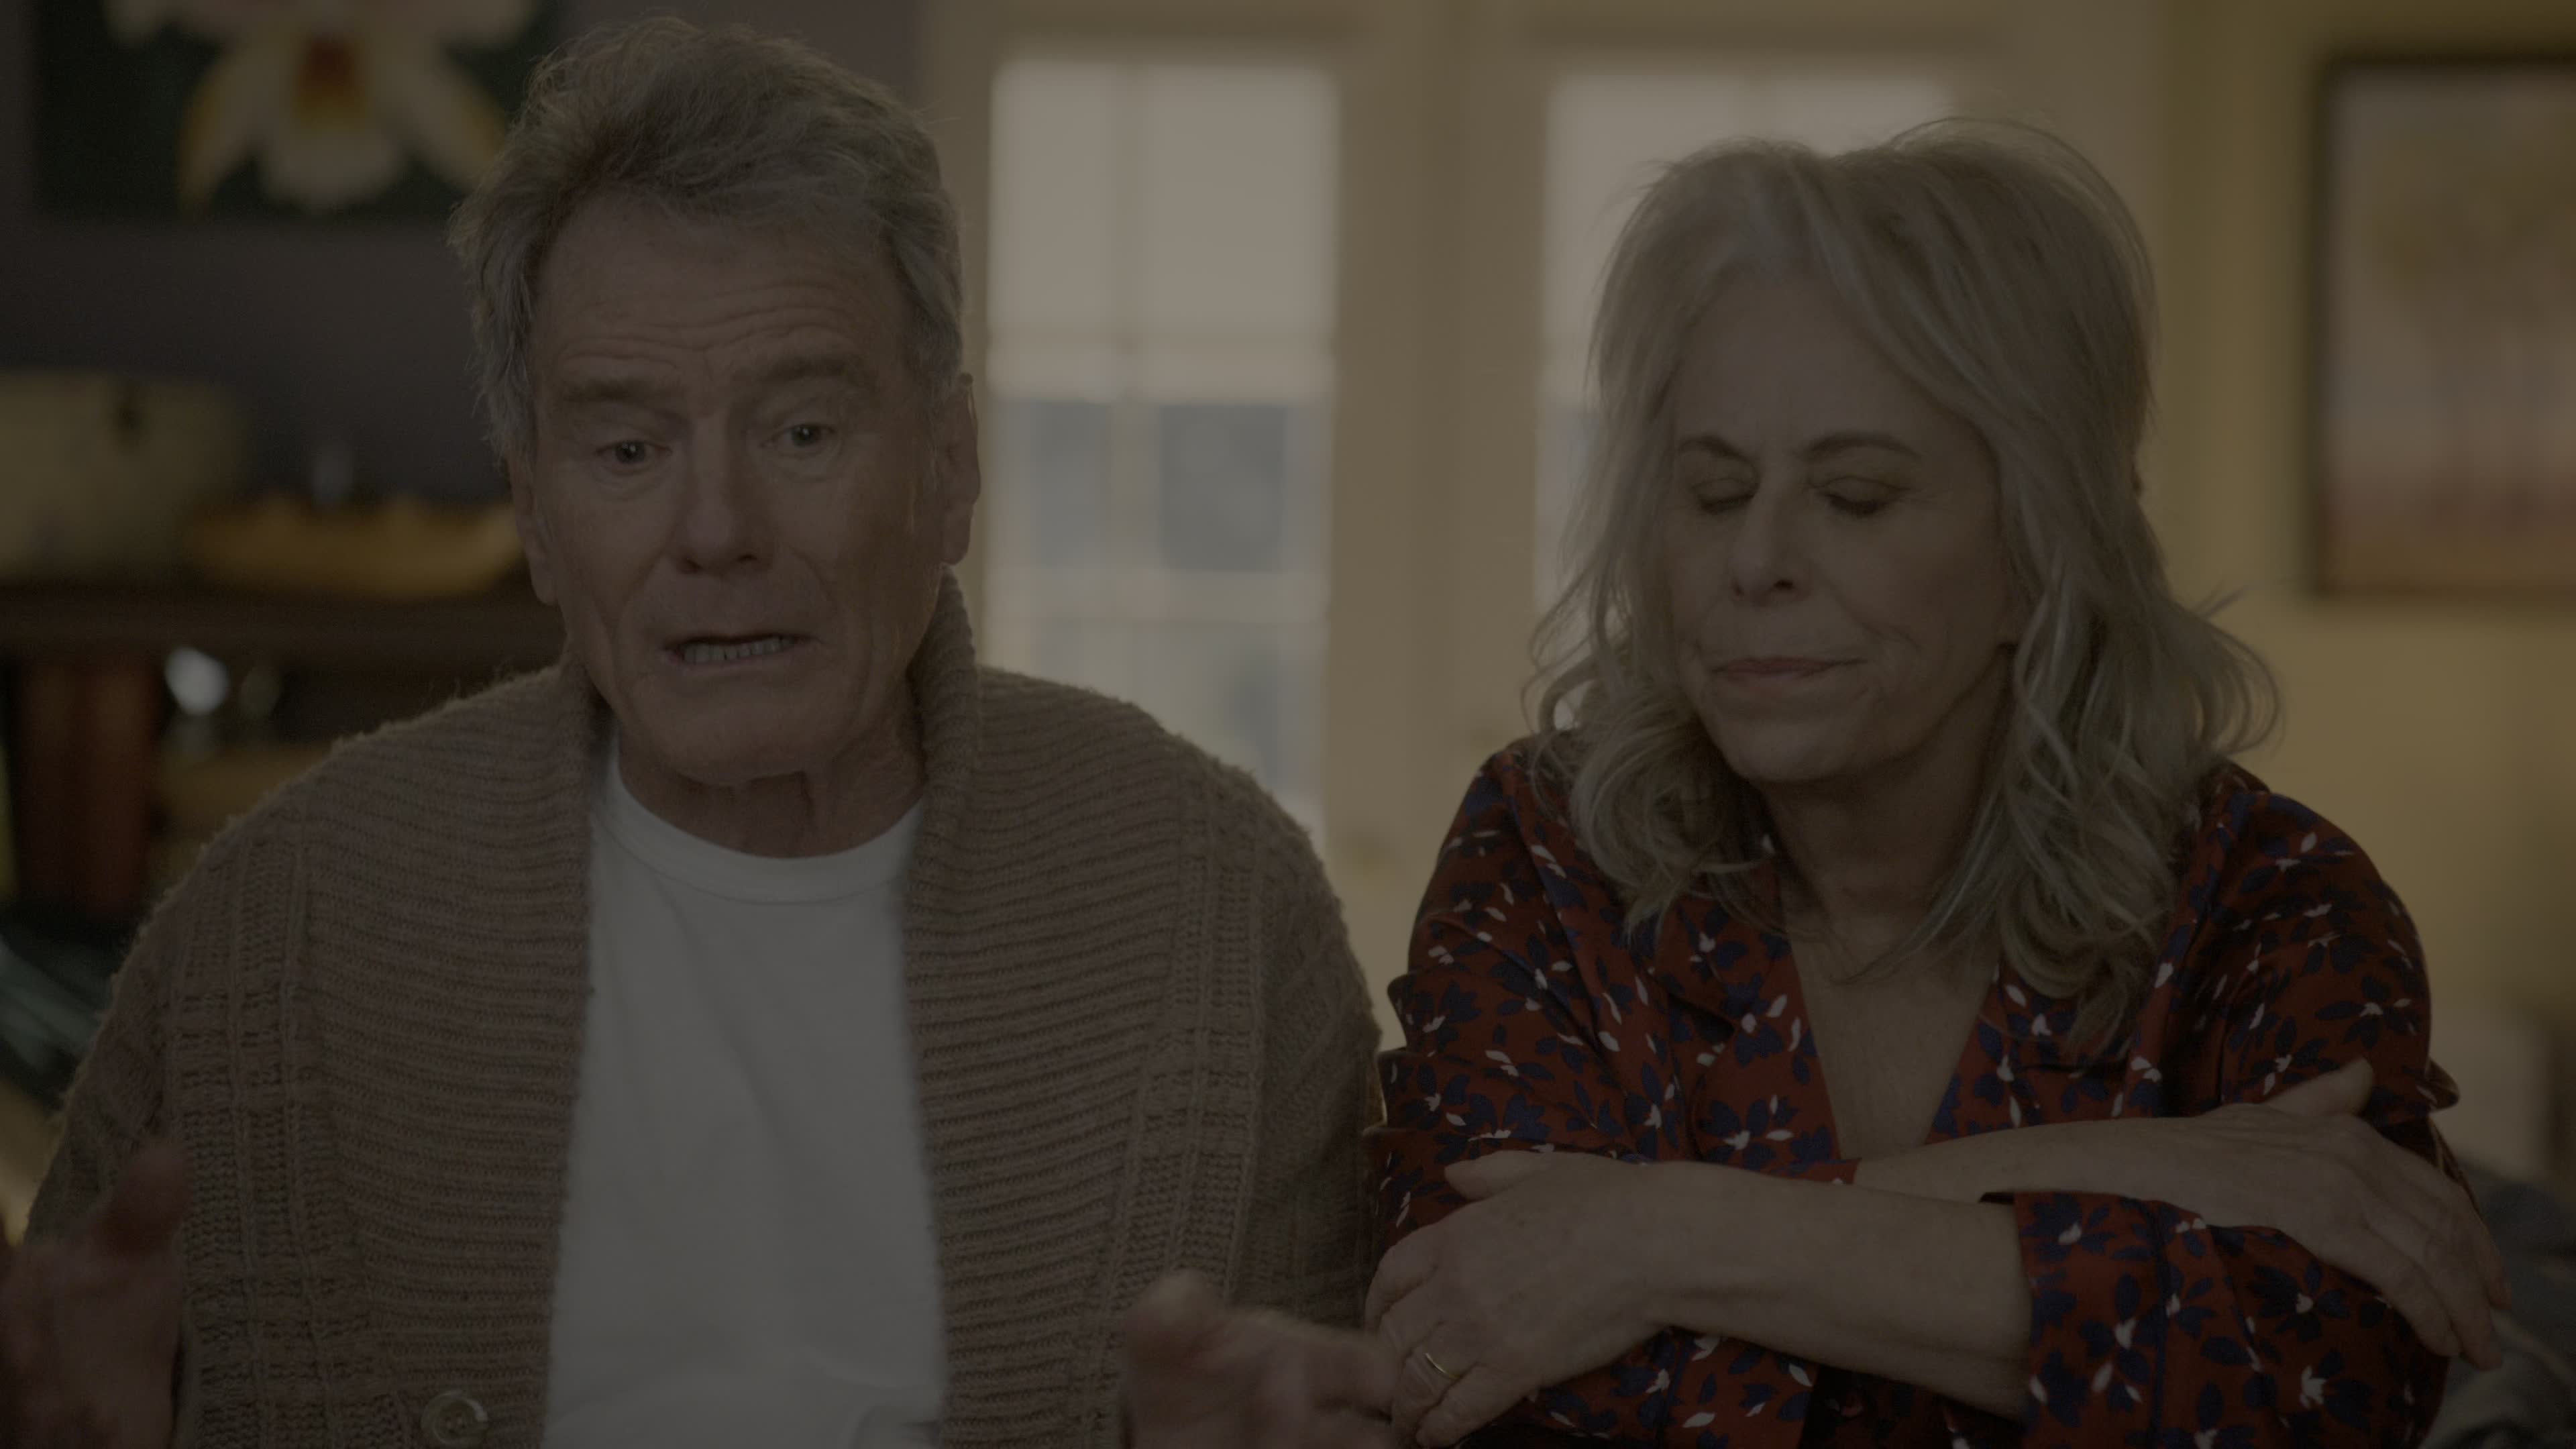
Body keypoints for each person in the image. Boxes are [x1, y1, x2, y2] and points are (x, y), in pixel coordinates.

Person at [0, 19, 1396, 1448]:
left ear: (951, 467)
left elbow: (1346, 1391)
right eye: (627, 449)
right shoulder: (270, 926)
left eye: (803, 433)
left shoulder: (1222, 909)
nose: (717, 530)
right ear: (535, 514)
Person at [1368, 121, 2508, 1446]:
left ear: (2041, 554)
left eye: (1854, 496)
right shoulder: (1546, 847)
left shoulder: (2273, 901)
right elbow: (1467, 1332)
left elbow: (2326, 1380)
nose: (1756, 559)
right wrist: (2133, 1170)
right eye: (1715, 491)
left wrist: (1652, 1237)